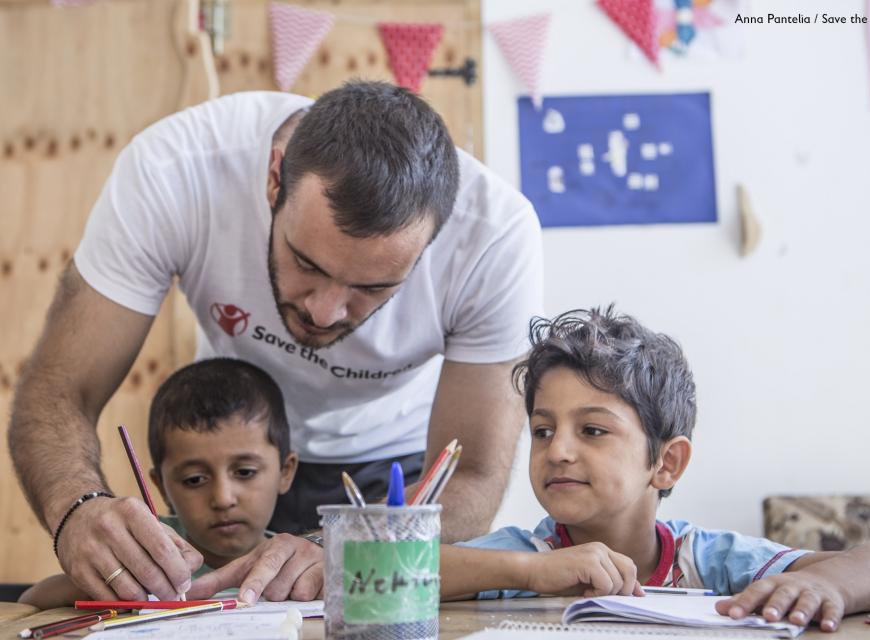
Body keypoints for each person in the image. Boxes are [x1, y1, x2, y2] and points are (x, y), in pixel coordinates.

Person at [8, 81, 542, 604]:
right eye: (307, 264)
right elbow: (59, 390)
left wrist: (349, 545)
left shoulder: (495, 237)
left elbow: (471, 473)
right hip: (243, 447)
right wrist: (77, 509)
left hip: (397, 484)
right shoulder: (177, 170)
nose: (324, 311)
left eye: (373, 288)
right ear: (273, 180)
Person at [438, 306, 870, 632]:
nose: (557, 449)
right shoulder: (527, 555)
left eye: (593, 430)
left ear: (667, 463)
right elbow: (393, 572)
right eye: (542, 431)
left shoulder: (708, 560)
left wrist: (828, 586)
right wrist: (529, 573)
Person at [19, 358, 302, 608]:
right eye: (195, 479)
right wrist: (107, 582)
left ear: (285, 472)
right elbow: (30, 601)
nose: (223, 498)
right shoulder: (143, 550)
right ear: (161, 486)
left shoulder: (294, 562)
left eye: (245, 472)